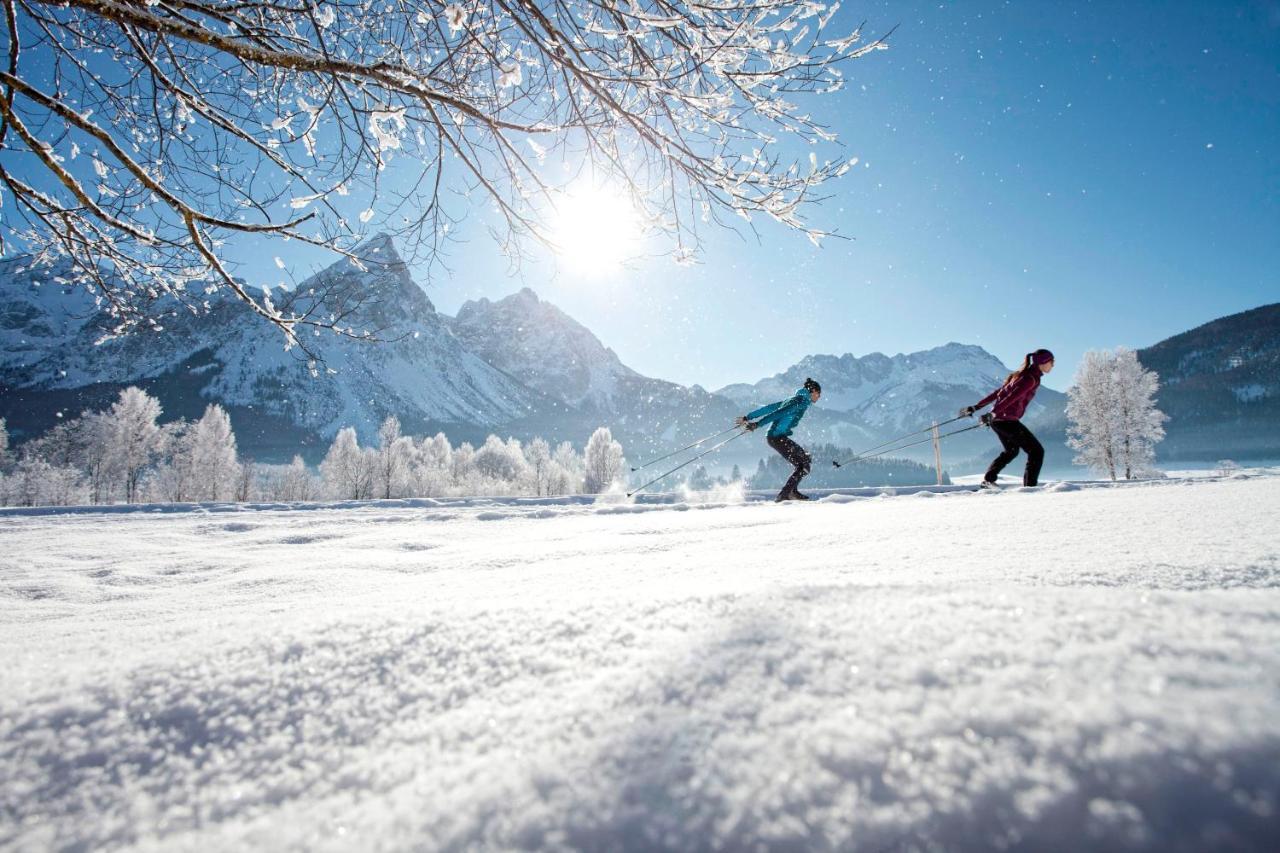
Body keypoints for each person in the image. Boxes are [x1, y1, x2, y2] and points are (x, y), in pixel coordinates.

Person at [962, 349, 1054, 488]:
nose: (1052, 365)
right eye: (1051, 362)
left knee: (1011, 451)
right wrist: (993, 413)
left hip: (998, 420)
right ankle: (1030, 489)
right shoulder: (1030, 379)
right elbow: (1011, 397)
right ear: (1043, 362)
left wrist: (977, 407)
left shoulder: (1021, 376)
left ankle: (989, 480)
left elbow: (999, 393)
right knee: (1036, 451)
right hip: (1006, 420)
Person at [738, 378, 821, 501]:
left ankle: (791, 491)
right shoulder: (799, 402)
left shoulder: (795, 399)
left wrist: (748, 417)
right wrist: (757, 424)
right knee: (803, 465)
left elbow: (770, 408)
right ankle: (785, 495)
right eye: (818, 394)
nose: (818, 397)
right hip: (776, 438)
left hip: (778, 437)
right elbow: (777, 413)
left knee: (804, 461)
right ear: (813, 391)